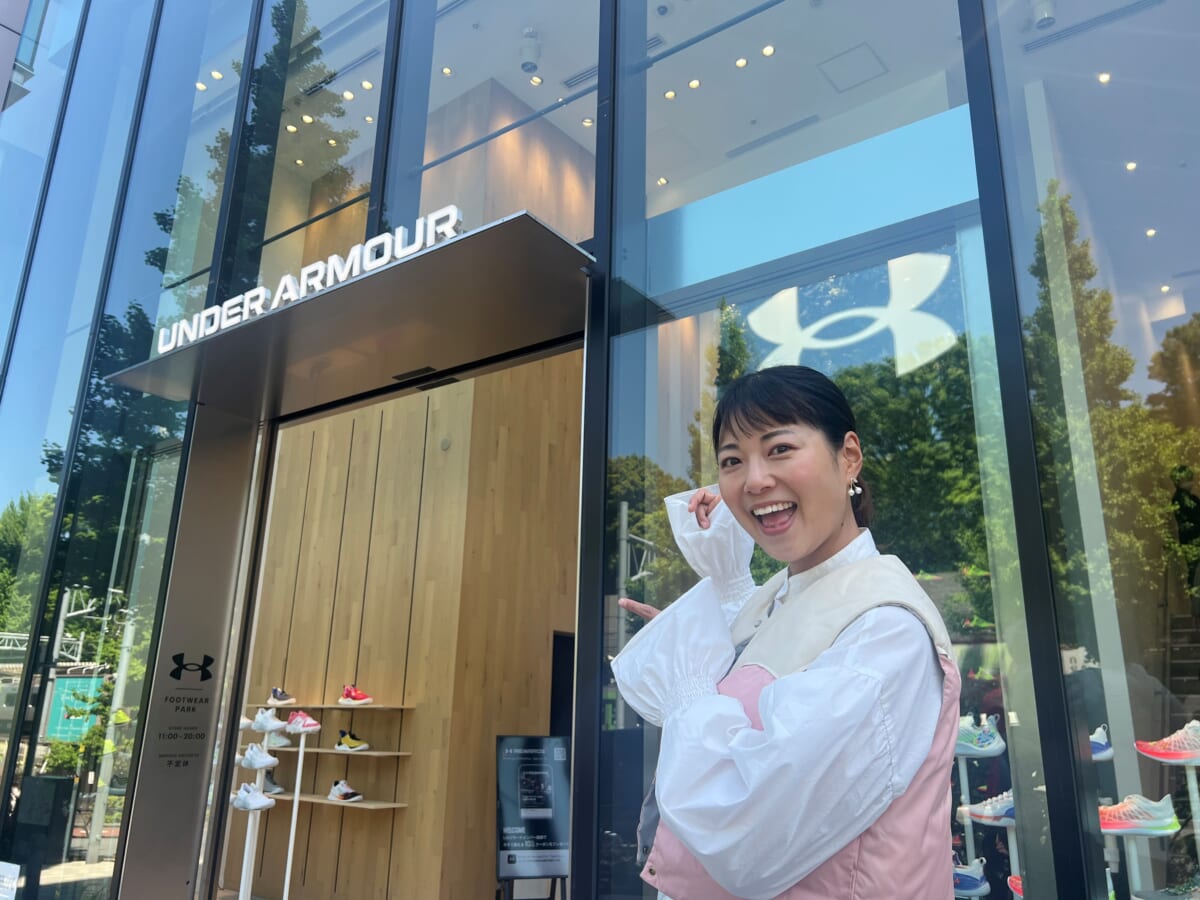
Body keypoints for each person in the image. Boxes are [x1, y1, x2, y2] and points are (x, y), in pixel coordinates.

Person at [612, 365, 960, 899]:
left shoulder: (885, 632)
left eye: (779, 449)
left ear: (849, 457)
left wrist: (688, 683)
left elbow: (743, 833)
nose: (754, 481)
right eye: (733, 461)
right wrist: (704, 656)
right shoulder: (779, 598)